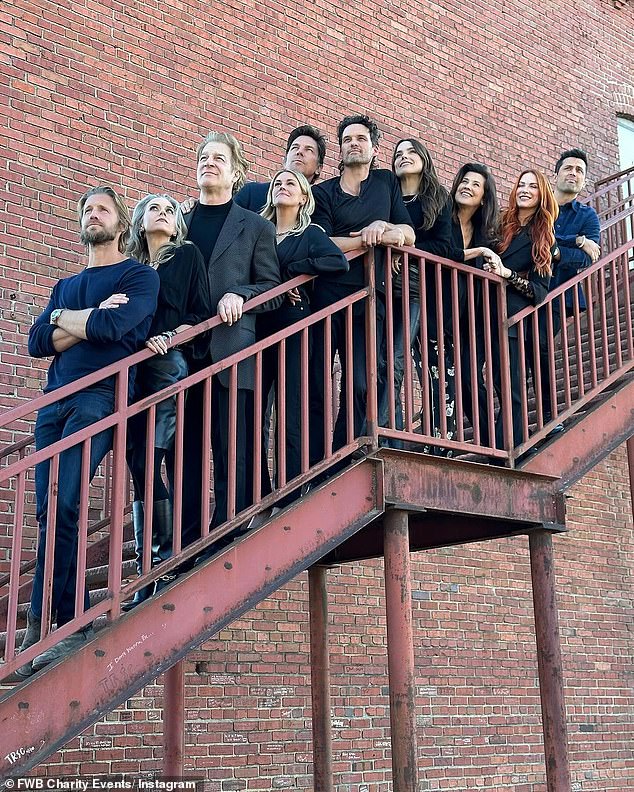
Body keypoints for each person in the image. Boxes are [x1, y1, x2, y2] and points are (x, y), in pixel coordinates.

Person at [14, 186, 159, 678]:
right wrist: (73, 317)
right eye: (86, 210)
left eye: (102, 210)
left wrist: (73, 325)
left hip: (100, 396)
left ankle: (61, 618)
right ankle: (45, 620)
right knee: (48, 508)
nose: (92, 215)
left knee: (68, 497)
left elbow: (115, 329)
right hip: (53, 404)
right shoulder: (65, 286)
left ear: (121, 225)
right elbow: (38, 341)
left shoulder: (138, 276)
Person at [178, 132, 280, 564]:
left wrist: (241, 293)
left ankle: (227, 530)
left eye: (219, 158)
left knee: (230, 443)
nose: (209, 163)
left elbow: (273, 288)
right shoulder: (178, 221)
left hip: (231, 348)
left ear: (236, 172)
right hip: (178, 353)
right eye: (204, 157)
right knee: (183, 449)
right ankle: (185, 542)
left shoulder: (255, 225)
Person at [309, 114, 415, 463]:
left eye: (361, 139)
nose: (354, 143)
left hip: (370, 297)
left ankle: (354, 452)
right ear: (340, 148)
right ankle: (321, 462)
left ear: (374, 147)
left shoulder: (386, 183)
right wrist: (368, 240)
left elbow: (409, 234)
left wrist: (383, 229)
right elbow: (321, 242)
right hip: (328, 297)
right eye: (348, 139)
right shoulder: (323, 192)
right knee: (317, 384)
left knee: (361, 379)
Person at [123, 194, 210, 609]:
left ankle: (156, 565)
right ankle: (149, 565)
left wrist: (173, 336)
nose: (162, 214)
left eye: (169, 210)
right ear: (140, 224)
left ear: (177, 225)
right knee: (134, 458)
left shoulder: (187, 256)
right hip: (131, 368)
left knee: (149, 459)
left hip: (166, 363)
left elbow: (200, 312)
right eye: (153, 208)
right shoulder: (131, 268)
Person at [257, 170, 348, 504]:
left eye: (290, 184)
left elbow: (338, 261)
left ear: (303, 198)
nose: (282, 187)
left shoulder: (309, 234)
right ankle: (262, 492)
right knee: (256, 411)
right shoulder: (259, 232)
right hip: (259, 326)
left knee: (291, 406)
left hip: (295, 327)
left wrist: (297, 271)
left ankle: (291, 488)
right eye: (277, 183)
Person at [481, 170, 559, 450]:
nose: (525, 190)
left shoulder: (543, 235)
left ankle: (507, 448)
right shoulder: (502, 223)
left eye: (532, 186)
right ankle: (489, 436)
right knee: (470, 375)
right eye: (521, 185)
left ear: (542, 195)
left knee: (510, 387)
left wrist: (507, 273)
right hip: (480, 309)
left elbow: (539, 292)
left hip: (510, 317)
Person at [382, 138, 452, 446]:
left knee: (397, 357)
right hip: (382, 288)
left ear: (424, 158)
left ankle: (387, 433)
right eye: (398, 154)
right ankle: (392, 433)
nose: (403, 157)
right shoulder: (387, 194)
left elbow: (447, 247)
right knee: (380, 360)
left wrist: (407, 248)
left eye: (411, 152)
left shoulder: (438, 198)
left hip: (415, 289)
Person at [540, 149, 601, 428]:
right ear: (555, 174)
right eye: (568, 168)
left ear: (584, 181)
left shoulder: (588, 216)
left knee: (540, 350)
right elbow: (535, 238)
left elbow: (588, 257)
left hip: (557, 295)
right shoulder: (539, 204)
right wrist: (576, 241)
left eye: (579, 171)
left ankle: (550, 419)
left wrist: (555, 250)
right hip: (523, 287)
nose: (573, 173)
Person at [448, 163, 500, 447]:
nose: (467, 186)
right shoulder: (443, 218)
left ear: (483, 197)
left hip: (474, 318)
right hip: (441, 313)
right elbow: (442, 251)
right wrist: (478, 253)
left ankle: (488, 440)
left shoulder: (488, 233)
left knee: (468, 376)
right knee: (442, 380)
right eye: (464, 181)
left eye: (475, 184)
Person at [232, 125, 327, 213]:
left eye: (309, 150)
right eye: (294, 148)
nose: (299, 152)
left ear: (319, 168)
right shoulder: (251, 193)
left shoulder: (322, 207)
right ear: (285, 161)